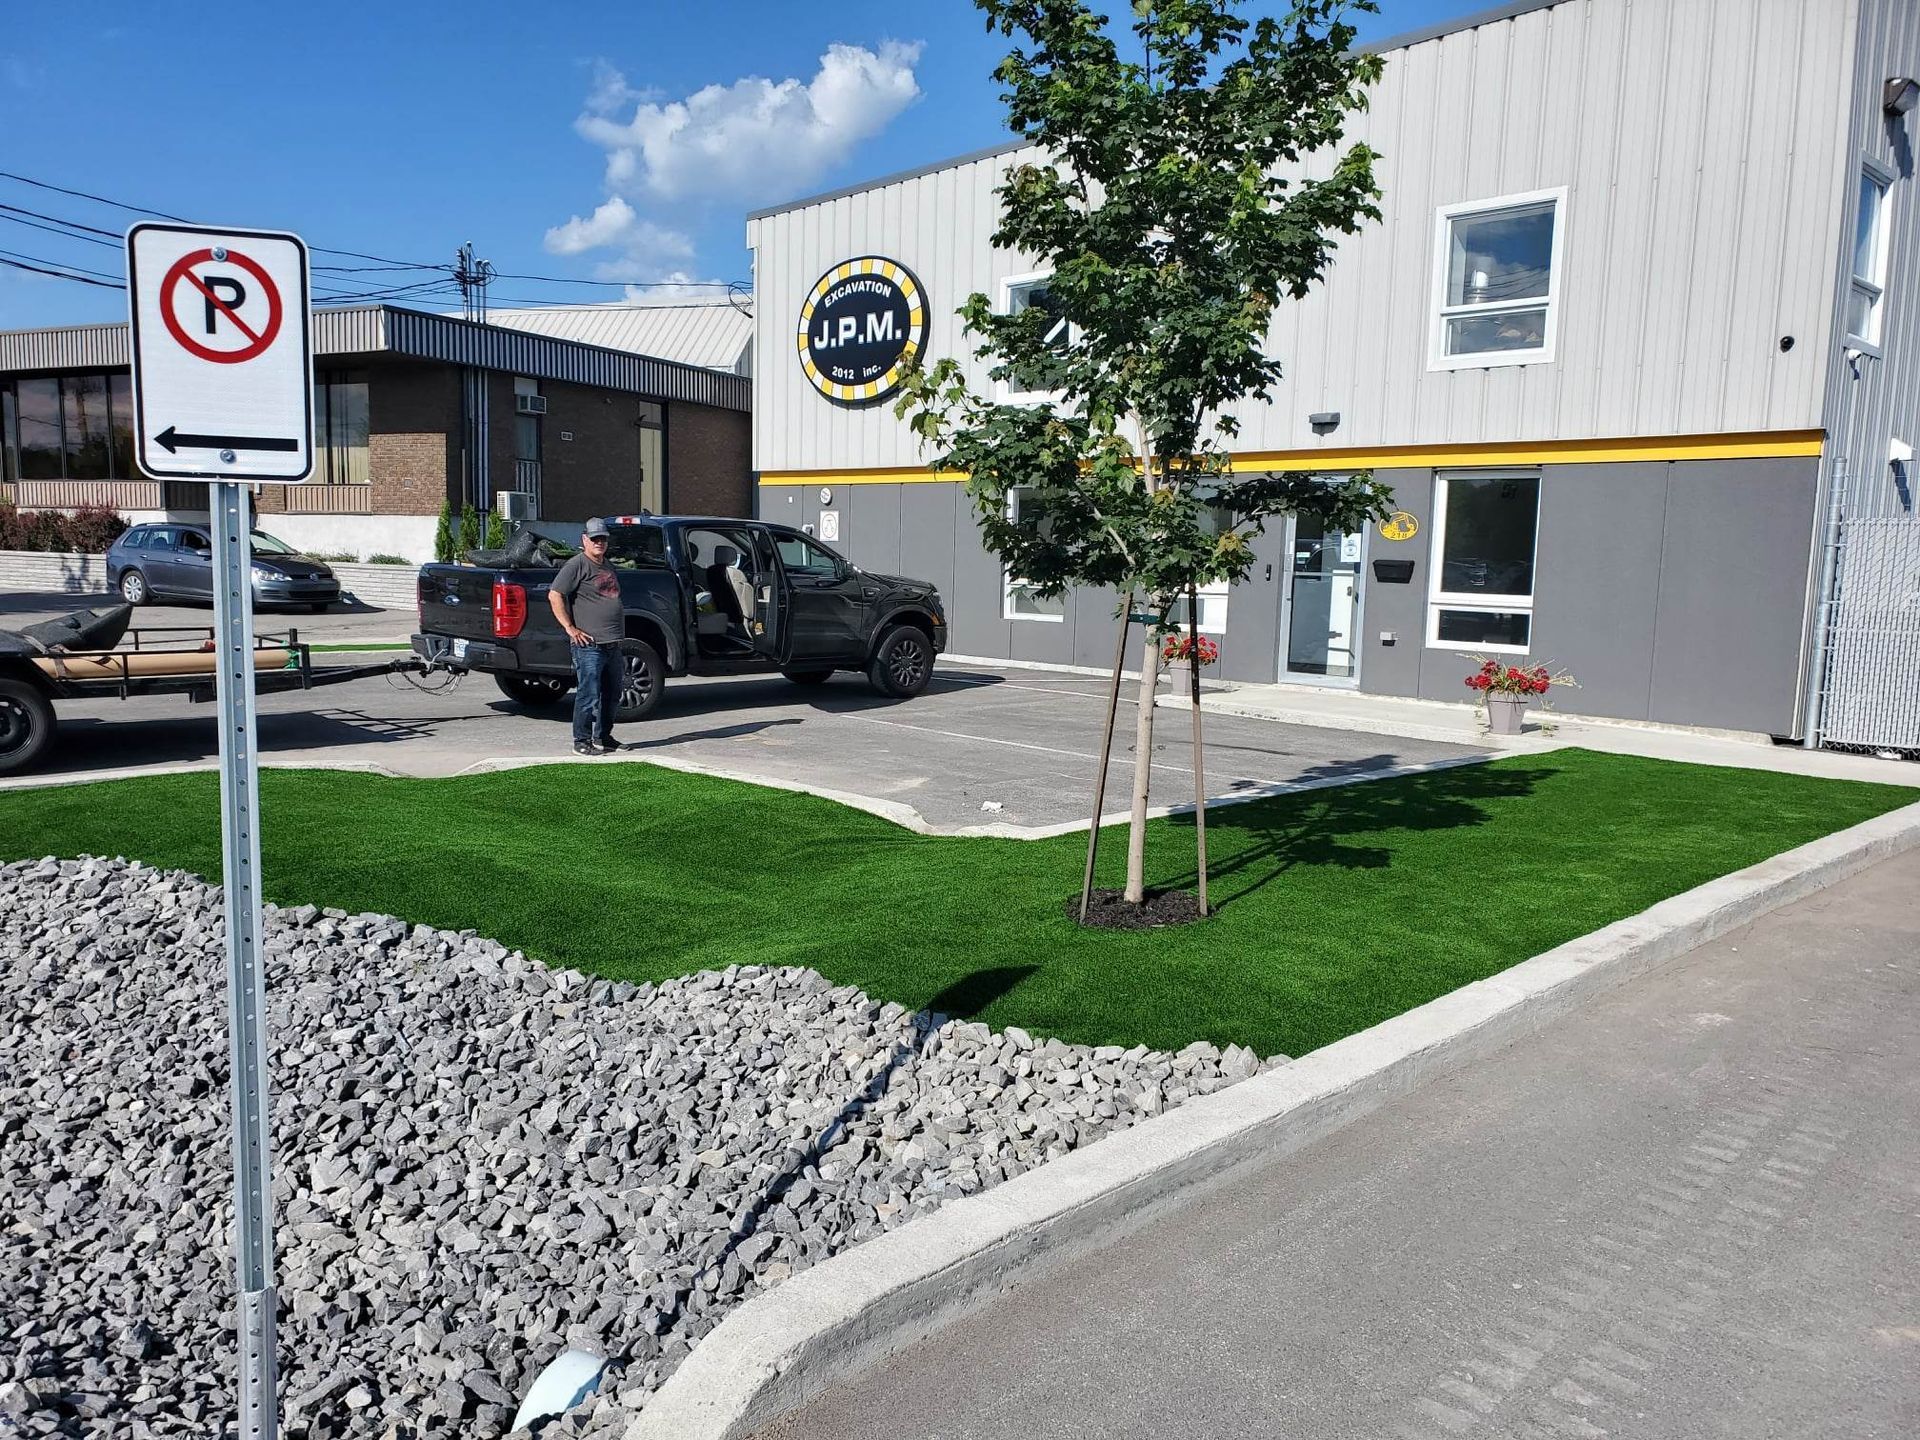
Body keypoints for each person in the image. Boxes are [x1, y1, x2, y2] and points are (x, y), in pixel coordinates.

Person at [549, 518, 625, 756]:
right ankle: (581, 741)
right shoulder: (577, 565)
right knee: (588, 694)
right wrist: (570, 628)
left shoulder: (607, 565)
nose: (600, 543)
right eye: (595, 539)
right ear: (584, 540)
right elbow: (555, 595)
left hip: (613, 643)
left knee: (613, 694)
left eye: (603, 539)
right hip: (589, 645)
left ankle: (603, 736)